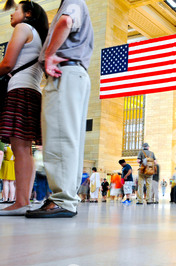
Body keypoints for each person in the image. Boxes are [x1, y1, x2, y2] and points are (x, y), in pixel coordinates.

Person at [26, 0, 94, 218]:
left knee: (59, 136)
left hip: (63, 73)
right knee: (70, 139)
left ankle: (62, 200)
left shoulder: (73, 1)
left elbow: (65, 21)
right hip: (75, 73)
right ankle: (66, 197)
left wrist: (49, 56)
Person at [0, 1, 48, 216]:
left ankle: (20, 202)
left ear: (28, 13)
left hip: (19, 90)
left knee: (20, 149)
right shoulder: (38, 35)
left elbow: (7, 64)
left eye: (16, 10)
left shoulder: (23, 28)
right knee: (25, 150)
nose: (11, 15)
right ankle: (23, 200)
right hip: (32, 91)